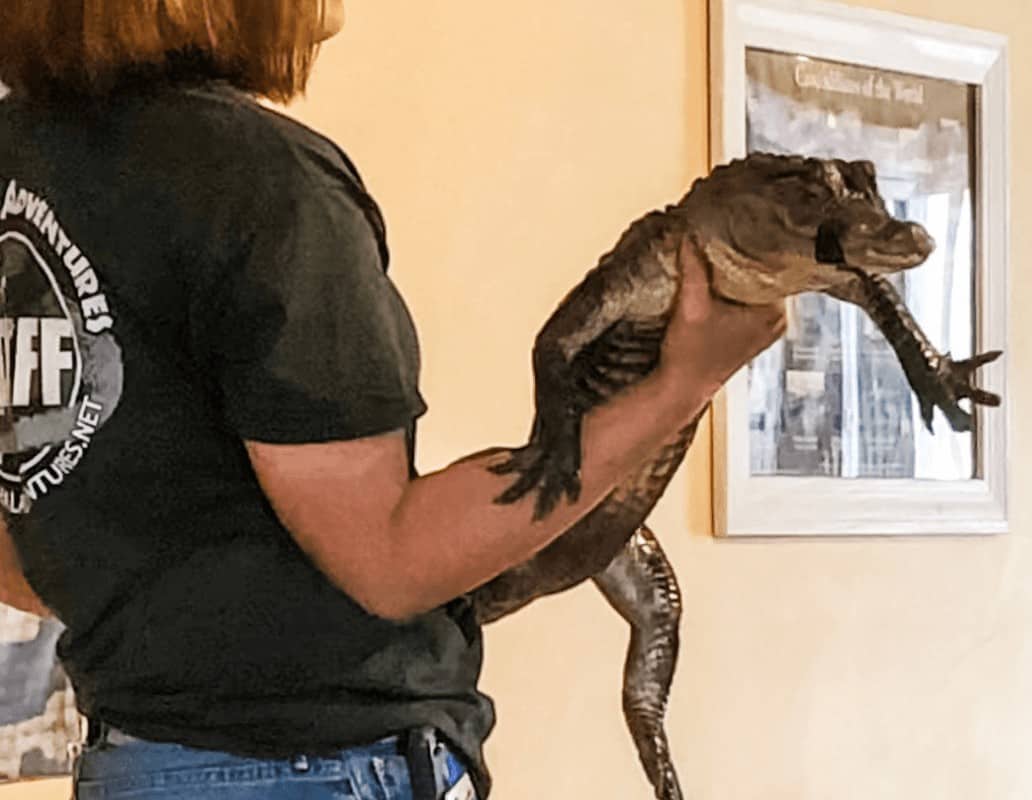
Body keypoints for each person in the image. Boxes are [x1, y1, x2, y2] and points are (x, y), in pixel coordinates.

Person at [0, 2, 787, 798]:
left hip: (134, 760)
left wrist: (164, 588)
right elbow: (390, 561)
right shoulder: (261, 179)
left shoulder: (21, 160)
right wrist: (683, 383)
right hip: (310, 768)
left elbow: (20, 549)